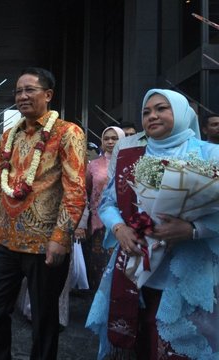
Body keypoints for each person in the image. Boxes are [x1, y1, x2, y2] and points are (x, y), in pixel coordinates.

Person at [86, 89, 219, 359]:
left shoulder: (210, 155)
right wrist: (119, 229)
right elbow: (108, 203)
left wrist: (192, 230)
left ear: (182, 114)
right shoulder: (130, 157)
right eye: (146, 112)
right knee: (140, 343)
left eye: (161, 109)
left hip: (190, 272)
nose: (152, 116)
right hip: (136, 272)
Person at [0, 67, 87, 359]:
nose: (23, 96)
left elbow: (75, 189)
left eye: (30, 89)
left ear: (48, 95)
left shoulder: (68, 133)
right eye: (18, 91)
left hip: (44, 244)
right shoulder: (8, 136)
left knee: (43, 317)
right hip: (5, 239)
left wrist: (59, 237)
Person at [75, 126, 125, 290]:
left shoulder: (131, 161)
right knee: (99, 269)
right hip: (99, 225)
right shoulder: (93, 165)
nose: (110, 142)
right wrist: (82, 224)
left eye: (114, 138)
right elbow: (86, 193)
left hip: (126, 224)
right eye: (106, 138)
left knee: (123, 269)